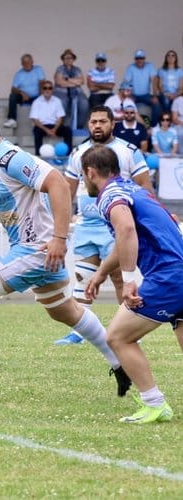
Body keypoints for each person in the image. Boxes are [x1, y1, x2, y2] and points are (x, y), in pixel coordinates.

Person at [0, 108, 130, 396]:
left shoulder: (10, 158)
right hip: (35, 251)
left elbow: (57, 183)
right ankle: (121, 363)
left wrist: (58, 237)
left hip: (36, 250)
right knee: (65, 311)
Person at [82, 145, 182, 424]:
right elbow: (127, 237)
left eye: (83, 176)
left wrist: (127, 282)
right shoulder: (134, 189)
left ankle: (154, 403)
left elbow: (125, 229)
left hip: (168, 275)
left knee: (117, 337)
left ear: (90, 172)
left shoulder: (109, 195)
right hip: (179, 272)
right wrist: (101, 273)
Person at [54, 105, 152, 346]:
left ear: (112, 124)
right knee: (82, 277)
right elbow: (67, 193)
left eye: (102, 121)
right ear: (88, 125)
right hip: (87, 226)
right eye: (93, 122)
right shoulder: (78, 153)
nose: (97, 126)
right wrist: (61, 228)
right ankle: (79, 332)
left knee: (120, 279)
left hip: (116, 226)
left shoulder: (128, 151)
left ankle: (128, 330)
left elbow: (145, 189)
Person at [29, 80, 72, 155]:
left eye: (50, 88)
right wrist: (47, 130)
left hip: (55, 126)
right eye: (45, 88)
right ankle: (38, 155)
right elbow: (35, 120)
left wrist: (54, 129)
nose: (47, 90)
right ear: (42, 90)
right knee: (37, 132)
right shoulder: (36, 102)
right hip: (42, 126)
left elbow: (60, 118)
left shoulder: (57, 101)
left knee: (68, 131)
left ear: (52, 90)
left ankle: (69, 154)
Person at [4, 54, 46, 129]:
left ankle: (41, 121)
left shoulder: (38, 69)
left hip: (37, 95)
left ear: (32, 62)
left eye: (28, 62)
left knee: (43, 96)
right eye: (24, 62)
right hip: (24, 97)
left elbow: (42, 82)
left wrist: (40, 95)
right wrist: (22, 93)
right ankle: (12, 120)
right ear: (22, 64)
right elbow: (13, 88)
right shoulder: (19, 74)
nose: (26, 64)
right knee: (13, 96)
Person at [53, 48, 88, 129]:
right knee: (62, 102)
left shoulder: (77, 69)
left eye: (70, 58)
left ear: (73, 59)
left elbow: (81, 81)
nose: (69, 60)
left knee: (84, 102)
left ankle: (79, 126)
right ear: (63, 60)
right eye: (66, 58)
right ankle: (60, 126)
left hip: (77, 92)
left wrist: (67, 79)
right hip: (61, 92)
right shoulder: (60, 69)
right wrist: (74, 83)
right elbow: (59, 82)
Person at [124, 49, 160, 125]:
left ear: (144, 59)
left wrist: (154, 95)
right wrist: (129, 95)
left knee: (157, 104)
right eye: (137, 58)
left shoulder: (150, 66)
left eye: (141, 58)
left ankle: (153, 126)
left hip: (146, 95)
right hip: (134, 95)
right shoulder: (131, 67)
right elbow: (127, 82)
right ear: (135, 59)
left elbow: (154, 81)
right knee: (125, 104)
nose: (139, 60)